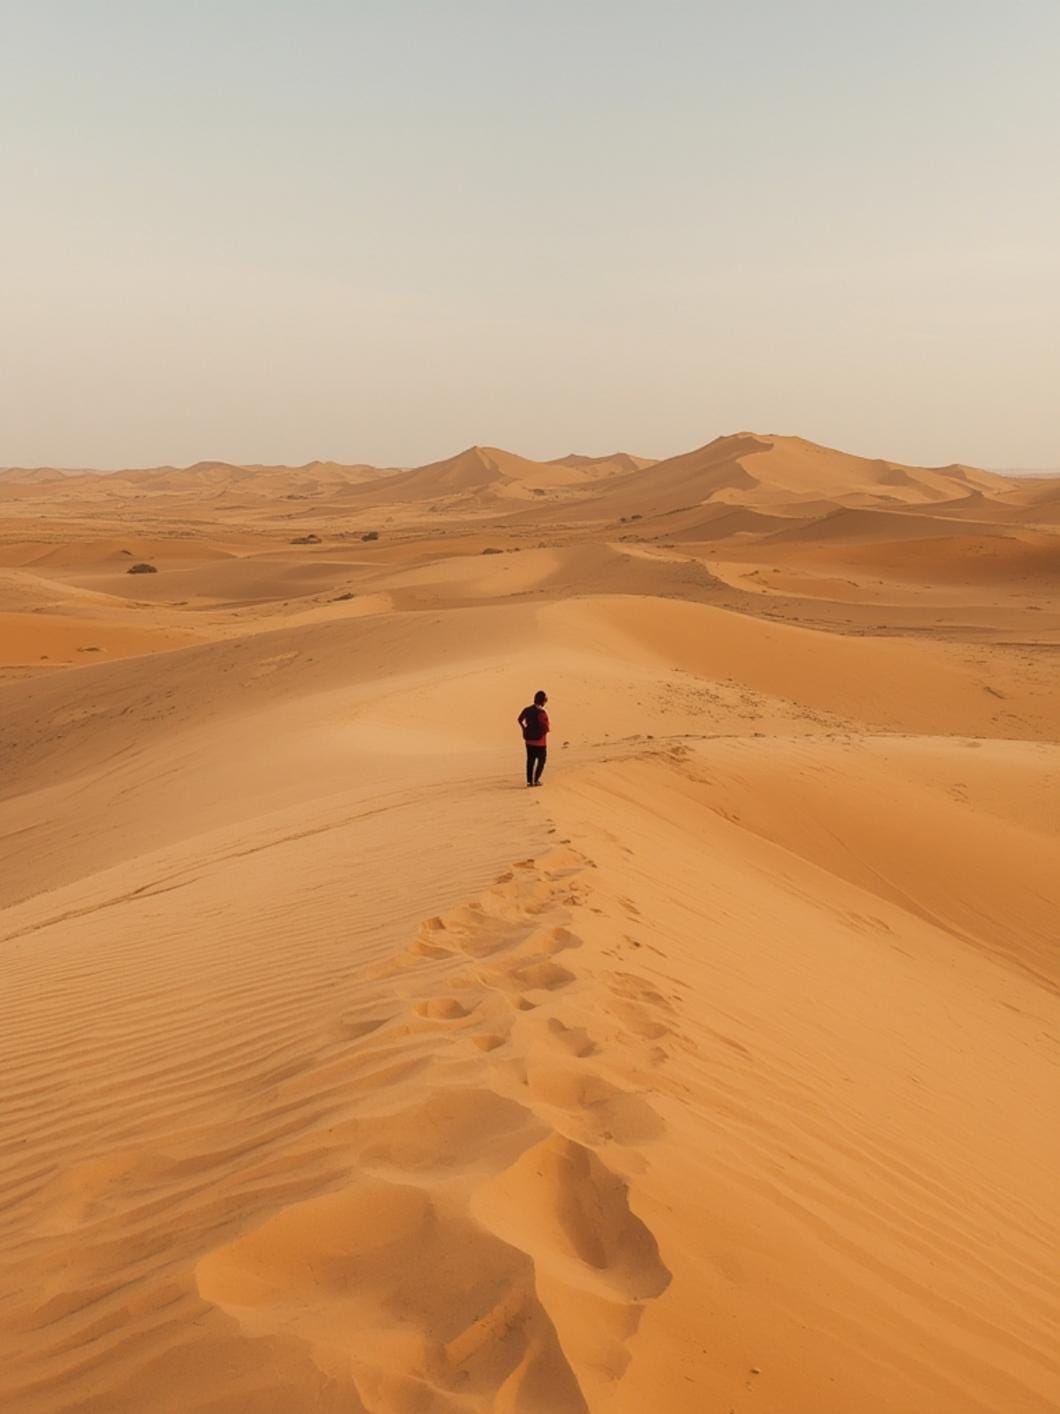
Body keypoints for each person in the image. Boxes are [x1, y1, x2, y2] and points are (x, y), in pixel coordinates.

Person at [517, 690, 549, 787]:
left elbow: (519, 719)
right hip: (540, 742)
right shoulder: (542, 713)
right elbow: (546, 727)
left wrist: (524, 729)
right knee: (541, 760)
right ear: (543, 701)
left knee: (530, 760)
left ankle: (529, 781)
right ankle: (536, 780)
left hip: (529, 741)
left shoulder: (527, 710)